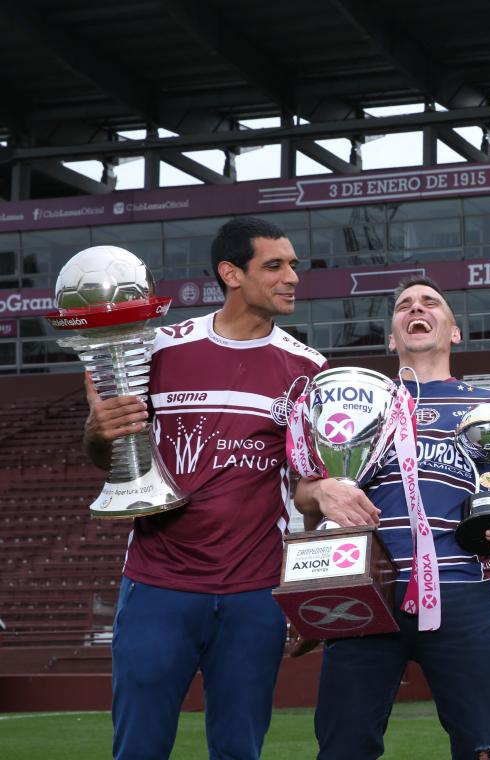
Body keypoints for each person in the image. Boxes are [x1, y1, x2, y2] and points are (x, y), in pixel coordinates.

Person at [84, 216, 329, 759]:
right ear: (231, 273)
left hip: (255, 592)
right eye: (275, 265)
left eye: (293, 265)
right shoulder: (161, 348)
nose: (292, 276)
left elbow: (309, 485)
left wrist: (313, 591)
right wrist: (98, 429)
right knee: (139, 748)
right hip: (158, 583)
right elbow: (110, 454)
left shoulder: (309, 368)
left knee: (239, 751)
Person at [299, 275, 490, 760]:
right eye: (404, 305)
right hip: (364, 591)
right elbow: (306, 494)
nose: (418, 308)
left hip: (460, 592)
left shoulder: (489, 405)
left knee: (486, 749)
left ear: (454, 331)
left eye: (431, 302)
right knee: (342, 748)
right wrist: (318, 489)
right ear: (392, 336)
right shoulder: (353, 402)